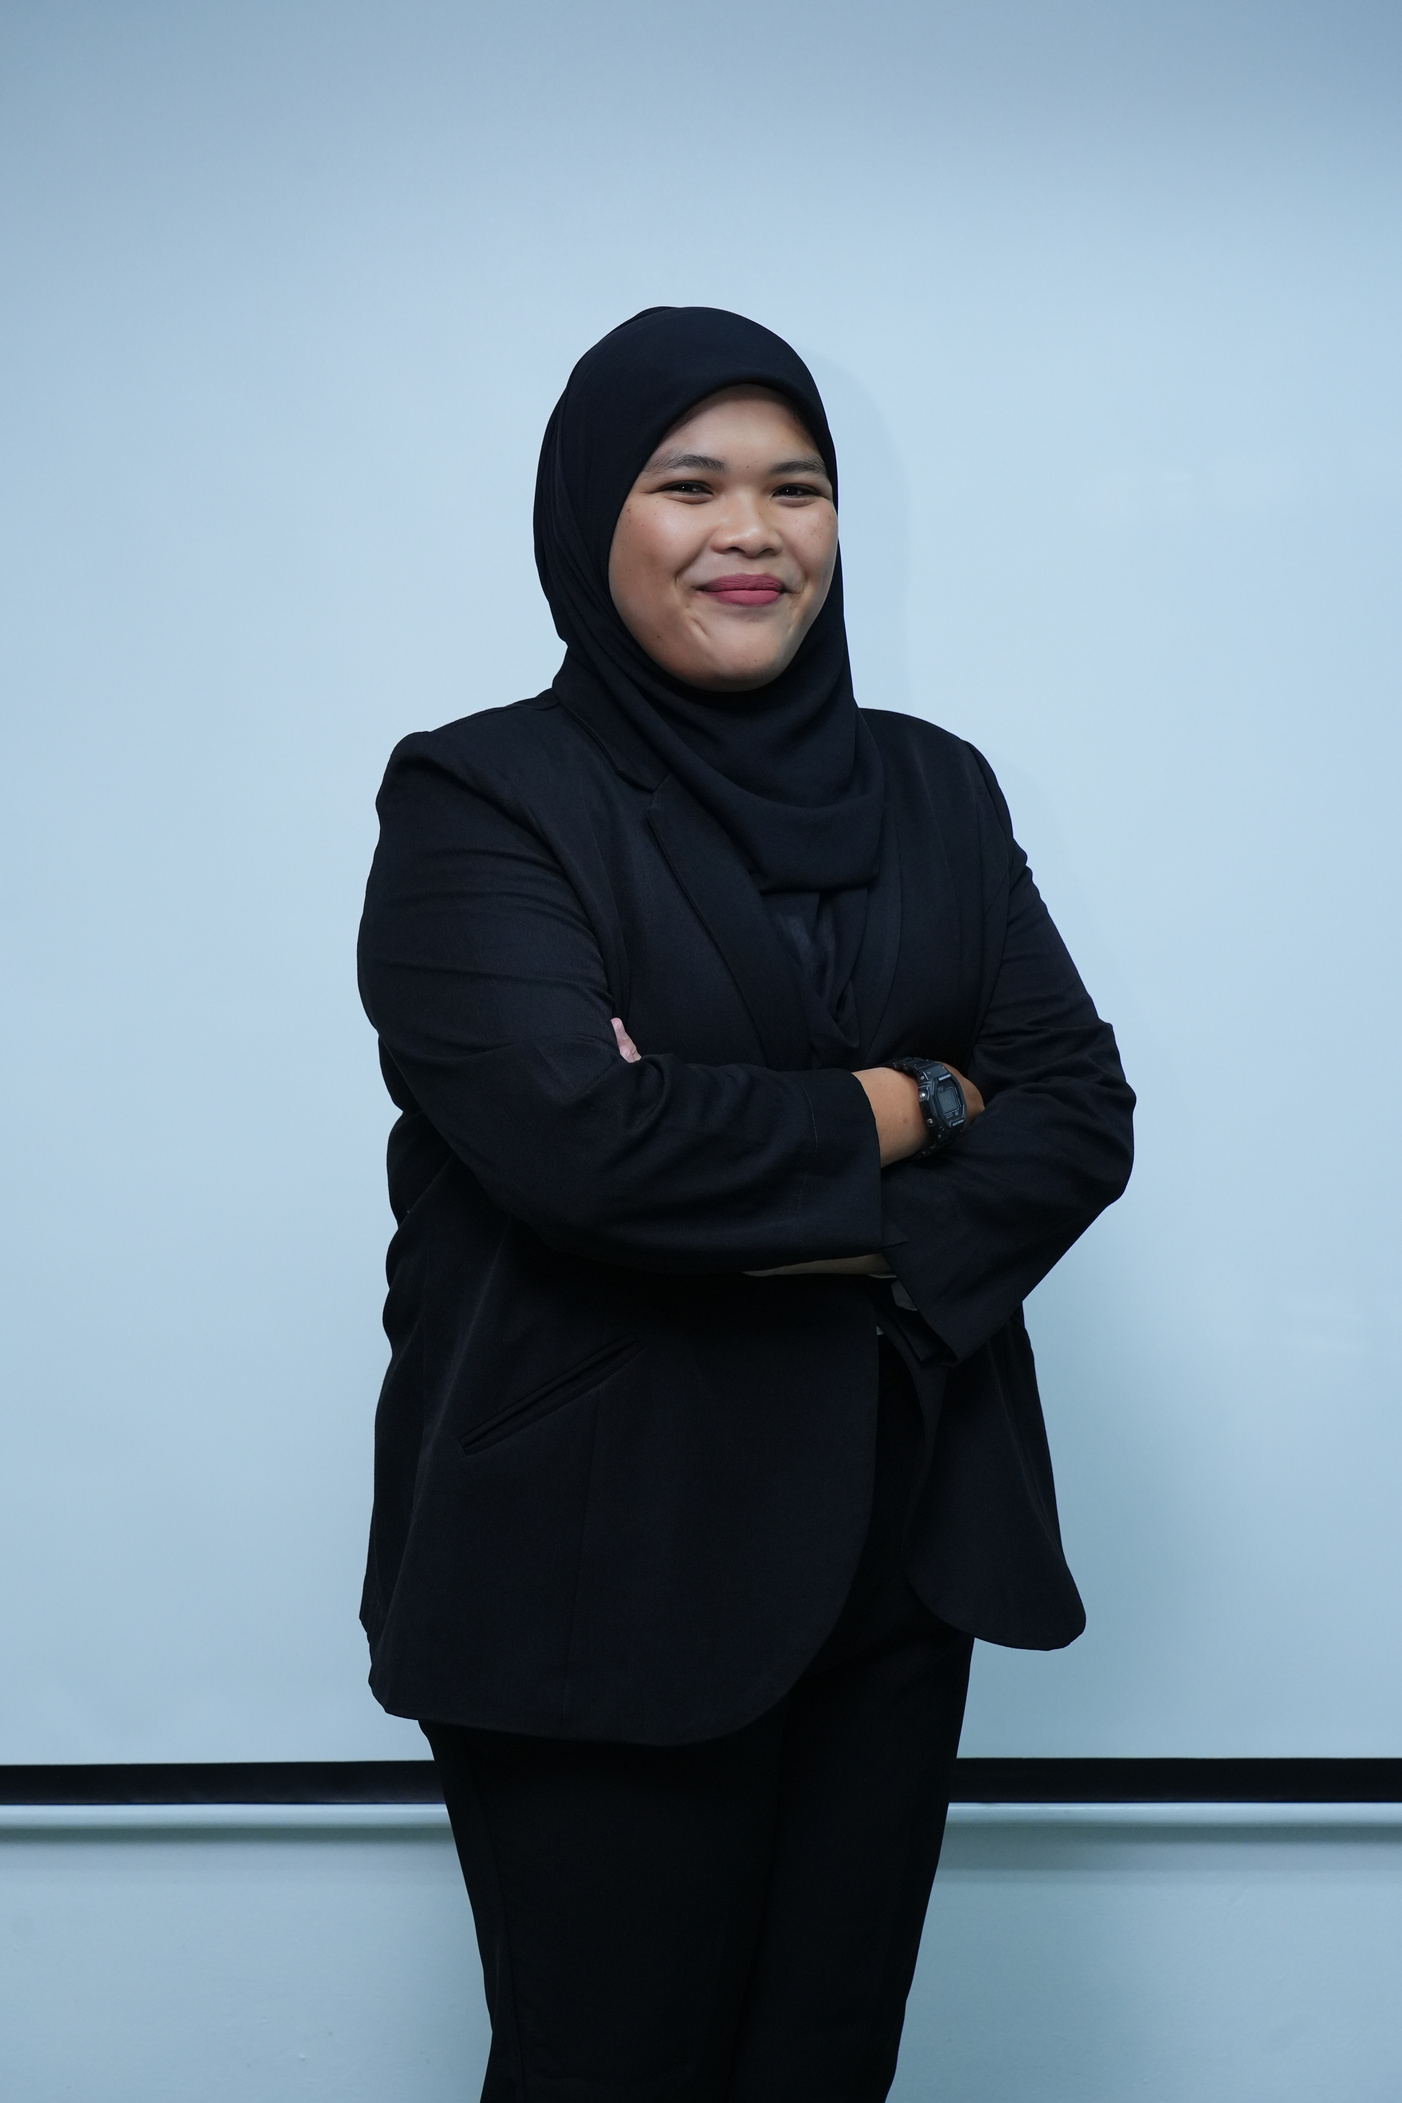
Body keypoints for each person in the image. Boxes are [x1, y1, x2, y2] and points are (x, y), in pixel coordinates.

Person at [357, 306, 1134, 2103]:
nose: (751, 532)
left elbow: (1078, 1110)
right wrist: (924, 1097)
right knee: (610, 2072)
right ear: (588, 518)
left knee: (825, 2071)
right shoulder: (482, 800)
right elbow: (584, 1143)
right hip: (598, 1564)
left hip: (897, 1539)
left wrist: (779, 1183)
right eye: (687, 484)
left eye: (796, 488)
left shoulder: (933, 787)